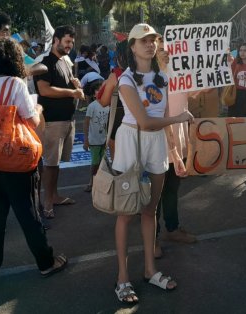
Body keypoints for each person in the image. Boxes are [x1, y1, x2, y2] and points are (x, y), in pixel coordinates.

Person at [0, 38, 67, 297]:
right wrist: (38, 106)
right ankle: (45, 262)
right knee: (27, 213)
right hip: (12, 160)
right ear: (15, 61)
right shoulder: (15, 84)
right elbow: (32, 121)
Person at [113, 23, 193, 304]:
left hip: (157, 143)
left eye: (153, 40)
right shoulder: (126, 80)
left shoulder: (163, 77)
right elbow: (146, 122)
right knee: (126, 212)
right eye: (143, 40)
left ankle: (150, 270)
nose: (150, 44)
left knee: (150, 211)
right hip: (132, 142)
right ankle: (122, 277)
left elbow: (162, 118)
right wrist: (177, 118)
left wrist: (175, 154)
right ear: (132, 46)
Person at [153, 36, 198, 259]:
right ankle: (152, 238)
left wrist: (220, 66)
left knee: (172, 188)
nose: (164, 52)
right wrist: (173, 151)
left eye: (167, 48)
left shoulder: (180, 73)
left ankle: (172, 229)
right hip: (159, 139)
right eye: (159, 48)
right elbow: (159, 115)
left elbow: (197, 93)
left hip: (178, 139)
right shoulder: (151, 79)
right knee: (154, 194)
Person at [33, 25, 84, 219]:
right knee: (49, 164)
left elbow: (66, 82)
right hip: (51, 121)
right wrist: (72, 92)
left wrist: (75, 83)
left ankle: (53, 196)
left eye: (72, 42)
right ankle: (46, 201)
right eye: (67, 41)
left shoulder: (65, 61)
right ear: (56, 40)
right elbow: (44, 90)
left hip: (66, 120)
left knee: (56, 164)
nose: (70, 45)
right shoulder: (45, 63)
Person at [96, 40, 128, 158]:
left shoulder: (116, 75)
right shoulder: (149, 73)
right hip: (143, 120)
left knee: (118, 162)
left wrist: (101, 91)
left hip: (119, 120)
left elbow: (104, 102)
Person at [83, 81, 109, 192]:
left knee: (103, 162)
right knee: (95, 162)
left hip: (105, 140)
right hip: (94, 140)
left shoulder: (108, 105)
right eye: (98, 90)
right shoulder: (92, 106)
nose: (100, 92)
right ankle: (92, 182)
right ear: (94, 94)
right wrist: (86, 139)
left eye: (102, 89)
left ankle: (101, 181)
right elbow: (86, 123)